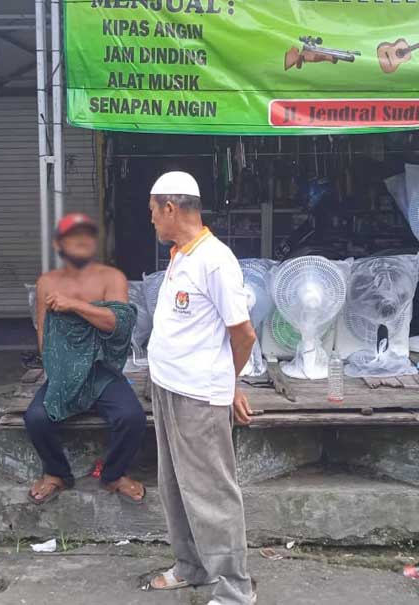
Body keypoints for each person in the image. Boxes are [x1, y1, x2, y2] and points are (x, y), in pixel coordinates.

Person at [145, 172, 258, 605]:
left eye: (154, 210)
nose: (152, 220)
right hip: (169, 387)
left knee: (212, 493)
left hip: (198, 395)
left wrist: (229, 384)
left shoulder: (216, 260)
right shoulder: (181, 255)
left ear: (171, 208)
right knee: (174, 486)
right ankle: (190, 566)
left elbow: (243, 334)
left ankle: (235, 590)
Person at [24, 213, 147, 505]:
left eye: (87, 236)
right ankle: (56, 474)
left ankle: (114, 474)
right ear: (59, 244)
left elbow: (117, 323)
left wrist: (75, 305)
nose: (81, 241)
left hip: (102, 372)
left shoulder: (111, 278)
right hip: (63, 372)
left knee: (132, 418)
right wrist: (59, 369)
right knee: (36, 417)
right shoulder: (47, 283)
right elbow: (44, 335)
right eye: (72, 236)